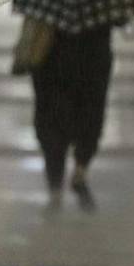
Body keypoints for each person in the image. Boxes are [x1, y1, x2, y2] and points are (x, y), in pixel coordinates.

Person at [12, 16, 113, 214]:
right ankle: (80, 172)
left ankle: (55, 189)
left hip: (51, 60)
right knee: (89, 119)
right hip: (92, 60)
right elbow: (119, 17)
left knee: (52, 125)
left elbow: (26, 7)